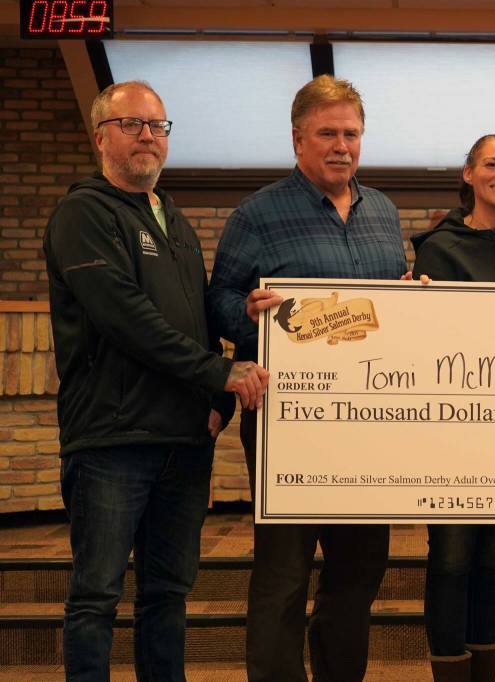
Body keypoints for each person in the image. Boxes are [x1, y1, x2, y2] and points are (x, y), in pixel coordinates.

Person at [44, 81, 269, 682]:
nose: (148, 136)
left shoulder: (177, 224)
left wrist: (219, 397)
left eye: (158, 126)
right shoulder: (82, 215)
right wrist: (220, 373)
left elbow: (197, 322)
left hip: (183, 444)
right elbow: (128, 320)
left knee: (167, 594)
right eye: (132, 124)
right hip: (112, 443)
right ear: (100, 137)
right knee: (96, 596)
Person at [208, 75, 408, 682]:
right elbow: (217, 299)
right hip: (287, 425)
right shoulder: (257, 214)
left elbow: (390, 309)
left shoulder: (383, 212)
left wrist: (415, 300)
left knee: (360, 570)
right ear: (298, 139)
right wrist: (244, 312)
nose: (341, 146)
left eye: (351, 133)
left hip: (369, 427)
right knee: (284, 574)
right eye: (327, 134)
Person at [411, 134, 495, 682]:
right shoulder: (437, 249)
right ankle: (449, 671)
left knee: (494, 557)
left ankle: (483, 671)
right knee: (450, 556)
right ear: (468, 174)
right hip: (452, 436)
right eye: (492, 164)